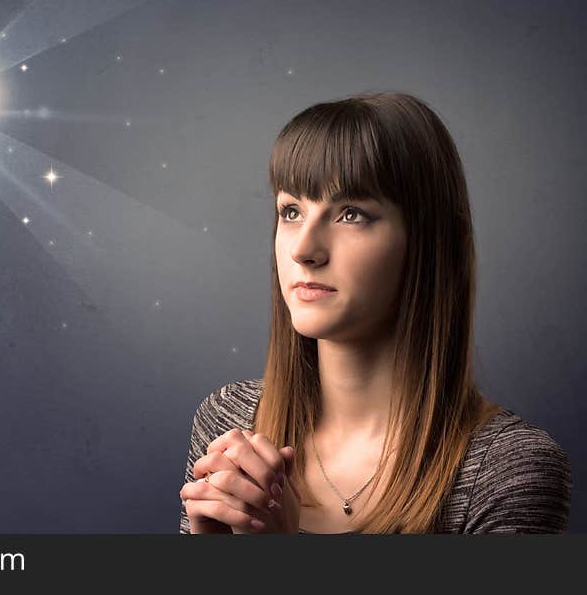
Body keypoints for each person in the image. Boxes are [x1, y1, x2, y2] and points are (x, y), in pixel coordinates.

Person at [179, 92, 572, 534]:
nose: (303, 249)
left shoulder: (507, 472)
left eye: (351, 214)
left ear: (428, 242)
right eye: (291, 211)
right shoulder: (228, 421)